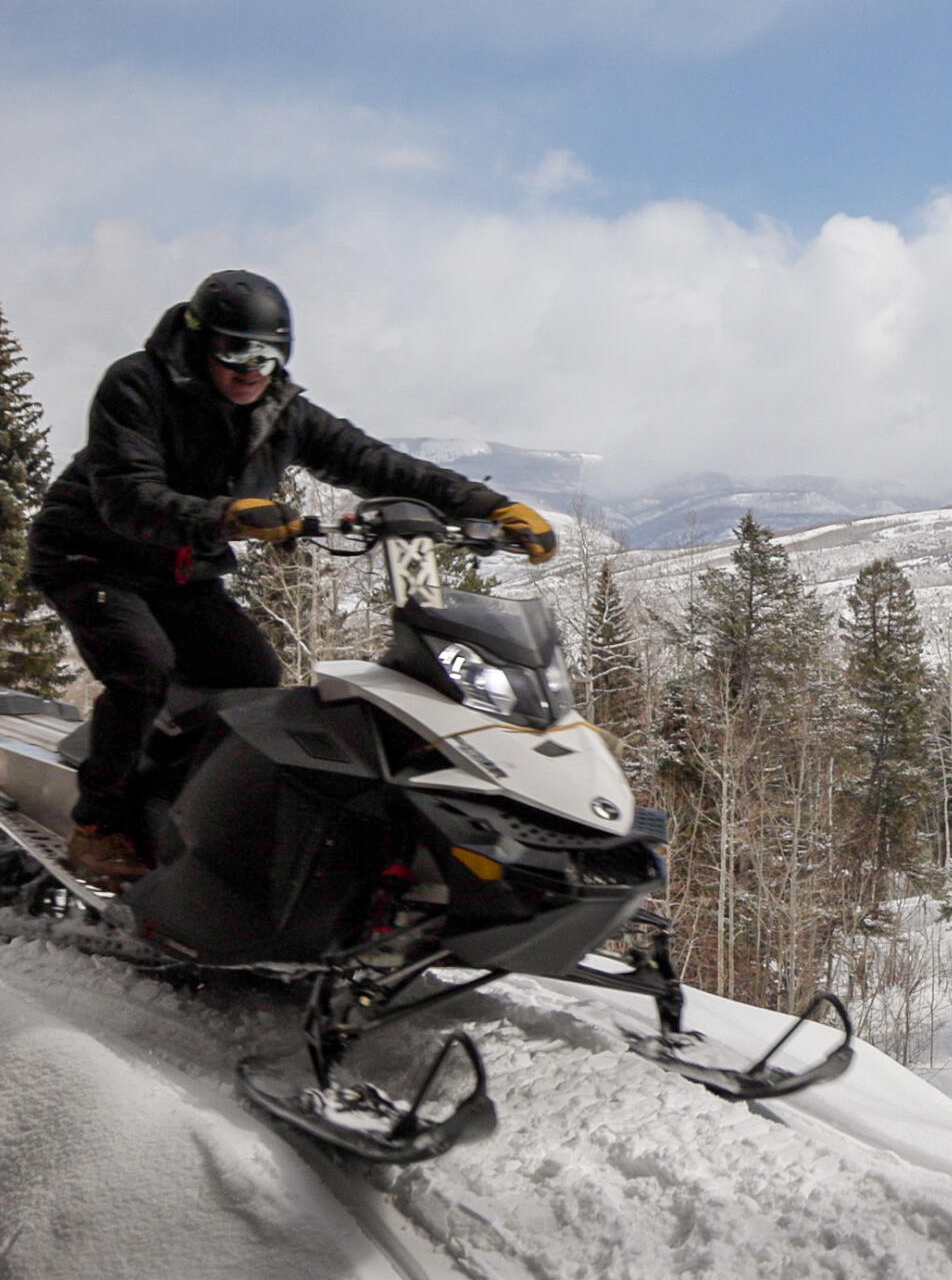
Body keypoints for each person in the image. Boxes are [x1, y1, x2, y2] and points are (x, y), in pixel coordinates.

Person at [28, 269, 556, 885]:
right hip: (92, 555)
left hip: (181, 567)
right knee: (142, 670)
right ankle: (98, 822)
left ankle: (169, 795)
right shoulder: (138, 386)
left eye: (271, 354)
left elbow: (374, 462)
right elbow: (127, 496)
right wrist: (222, 516)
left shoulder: (280, 411)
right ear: (200, 344)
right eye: (235, 351)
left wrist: (485, 506)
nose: (253, 368)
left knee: (249, 675)